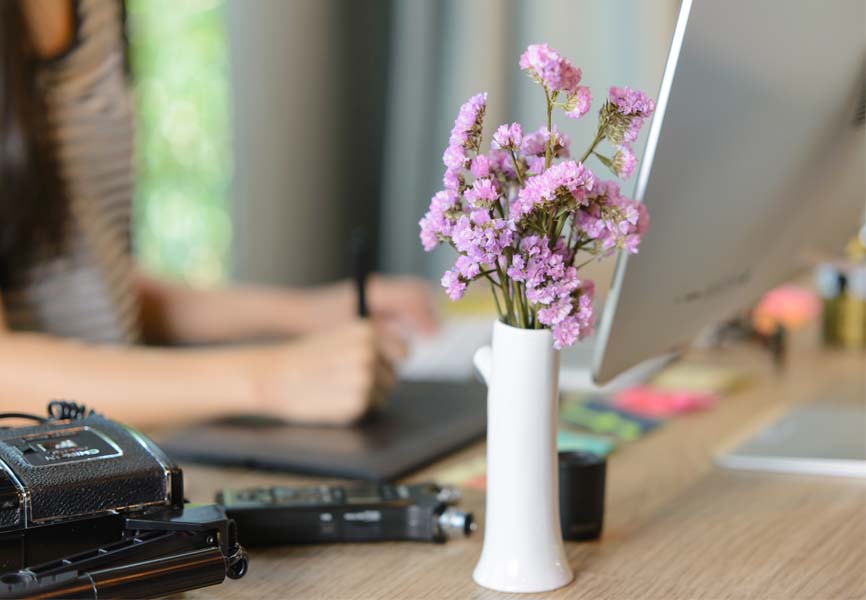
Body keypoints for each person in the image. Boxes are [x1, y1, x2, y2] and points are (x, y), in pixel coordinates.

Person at [0, 0, 436, 426]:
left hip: (118, 451)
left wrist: (306, 315)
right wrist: (273, 378)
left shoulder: (96, 12)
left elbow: (86, 292)